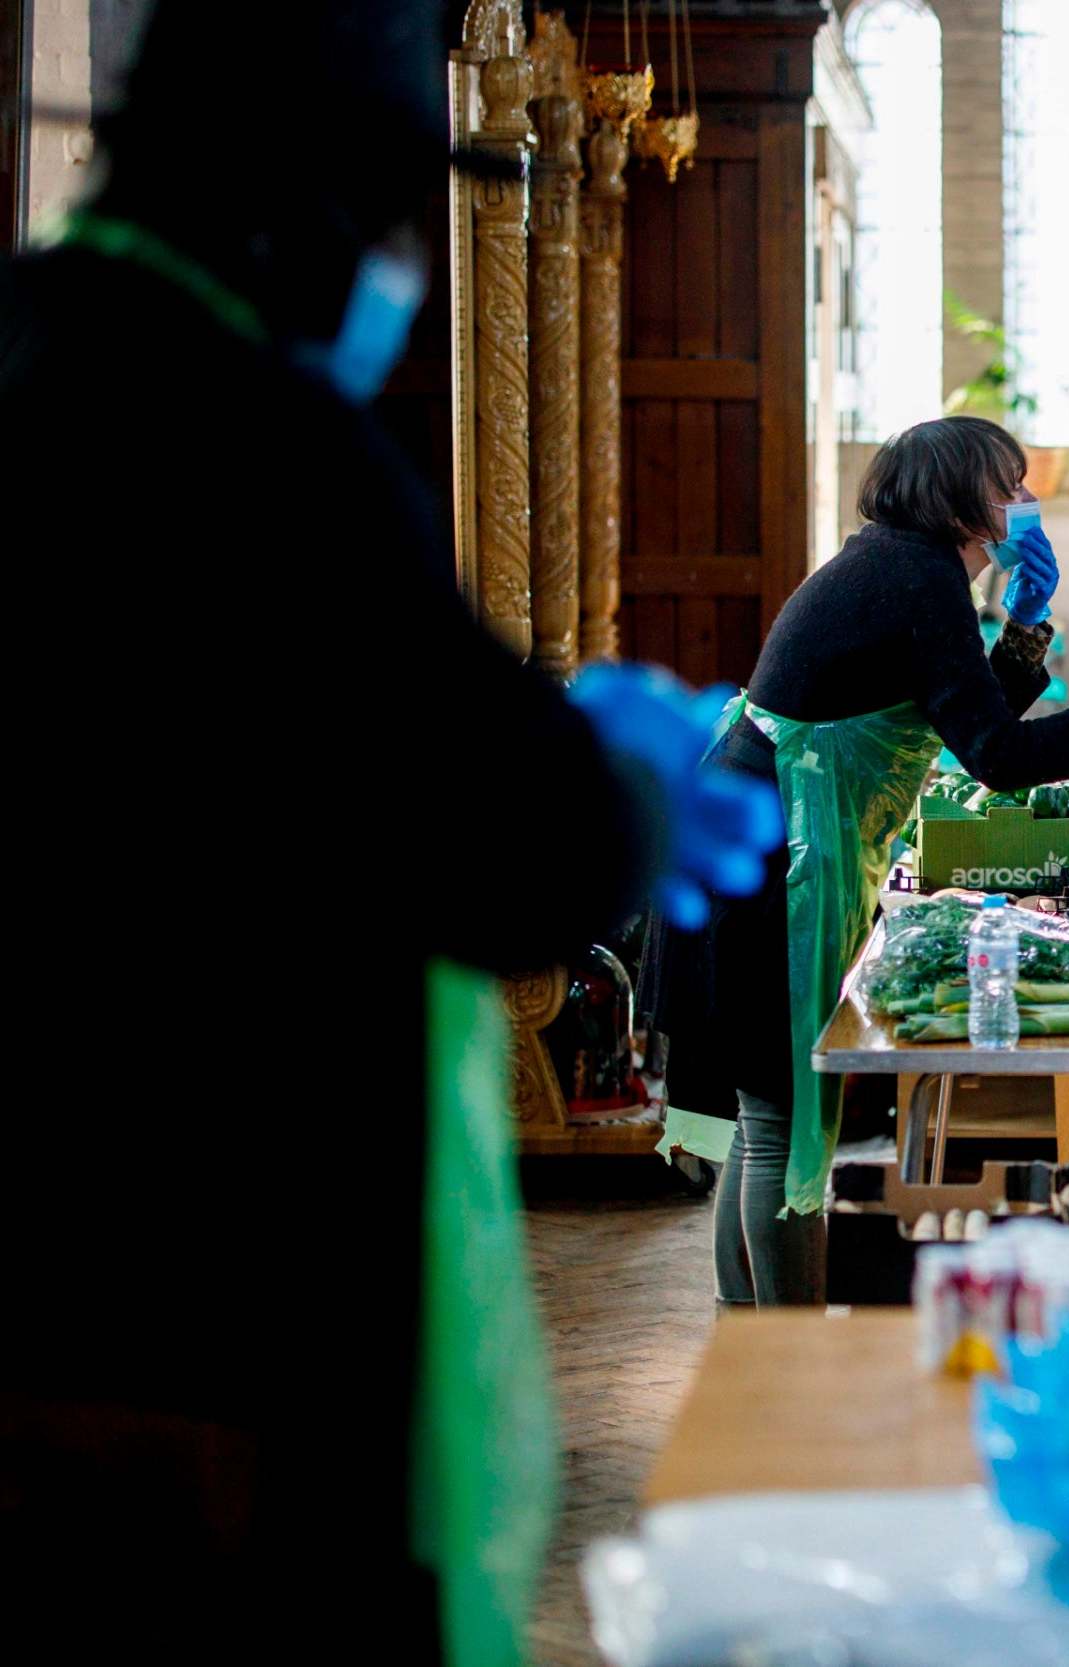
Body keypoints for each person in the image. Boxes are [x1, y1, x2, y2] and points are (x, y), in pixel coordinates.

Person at [0, 5, 778, 1662]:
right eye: (384, 225)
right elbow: (515, 854)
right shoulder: (256, 439)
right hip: (214, 1267)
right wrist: (621, 782)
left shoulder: (24, 342)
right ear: (309, 206)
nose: (392, 273)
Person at [644, 415, 1069, 1310]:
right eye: (1010, 484)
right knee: (780, 1120)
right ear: (960, 498)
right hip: (770, 860)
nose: (1025, 502)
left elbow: (963, 713)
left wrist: (1025, 624)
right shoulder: (916, 576)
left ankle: (750, 1340)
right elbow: (994, 753)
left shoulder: (898, 564)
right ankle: (781, 1353)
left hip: (761, 839)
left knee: (768, 1120)